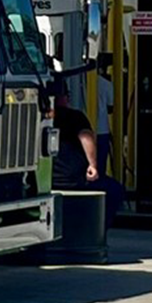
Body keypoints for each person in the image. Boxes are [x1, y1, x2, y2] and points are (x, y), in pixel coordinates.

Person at [47, 83, 125, 223]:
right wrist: (93, 166)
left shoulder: (40, 118)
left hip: (47, 181)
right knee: (115, 190)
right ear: (65, 97)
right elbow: (86, 137)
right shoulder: (74, 116)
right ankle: (98, 228)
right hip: (74, 180)